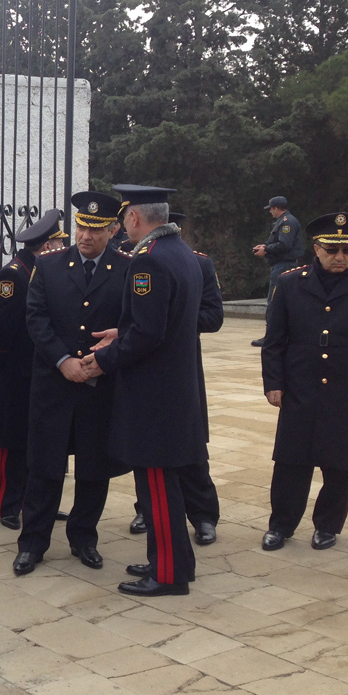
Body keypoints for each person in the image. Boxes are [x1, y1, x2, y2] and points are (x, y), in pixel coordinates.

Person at [81, 185, 205, 597]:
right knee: (163, 485)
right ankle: (171, 560)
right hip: (174, 391)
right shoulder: (181, 253)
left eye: (123, 218)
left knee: (157, 488)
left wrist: (106, 358)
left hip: (154, 397)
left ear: (133, 217)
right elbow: (164, 322)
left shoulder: (148, 262)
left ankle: (168, 574)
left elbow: (149, 334)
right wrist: (126, 330)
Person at [260, 212, 348, 551]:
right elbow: (274, 339)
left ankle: (328, 525)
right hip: (300, 383)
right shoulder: (291, 283)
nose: (340, 258)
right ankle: (281, 525)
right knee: (292, 459)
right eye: (332, 250)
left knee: (341, 460)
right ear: (316, 248)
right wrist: (273, 381)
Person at [12, 192, 130, 576]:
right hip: (55, 383)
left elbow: (131, 323)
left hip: (100, 385)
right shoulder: (47, 265)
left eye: (96, 230)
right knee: (45, 466)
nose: (85, 237)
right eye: (81, 227)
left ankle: (84, 538)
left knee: (94, 468)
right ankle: (32, 543)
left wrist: (103, 360)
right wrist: (63, 361)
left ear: (113, 231)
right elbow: (36, 318)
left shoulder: (127, 268)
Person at [127, 212, 224, 545]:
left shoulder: (199, 263)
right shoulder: (135, 259)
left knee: (189, 446)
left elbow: (213, 316)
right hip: (152, 359)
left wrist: (175, 315)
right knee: (154, 455)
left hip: (180, 362)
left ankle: (203, 514)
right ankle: (149, 510)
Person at [0, 209, 67, 529]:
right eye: (58, 242)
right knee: (13, 441)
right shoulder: (14, 275)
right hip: (18, 373)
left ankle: (36, 502)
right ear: (45, 246)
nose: (62, 247)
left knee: (40, 441)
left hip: (44, 372)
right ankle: (8, 503)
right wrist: (2, 365)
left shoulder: (48, 270)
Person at [251, 196, 303, 347]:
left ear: (276, 208)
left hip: (283, 265)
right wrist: (265, 246)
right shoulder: (284, 221)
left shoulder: (287, 222)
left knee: (274, 300)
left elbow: (284, 245)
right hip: (282, 264)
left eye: (271, 209)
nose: (270, 213)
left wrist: (266, 250)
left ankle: (271, 335)